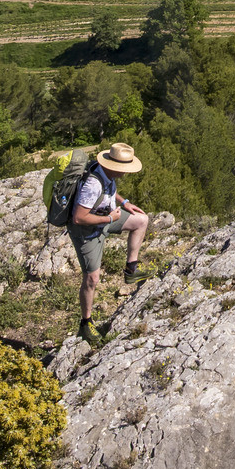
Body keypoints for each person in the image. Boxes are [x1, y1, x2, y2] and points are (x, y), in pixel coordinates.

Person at [69, 141, 149, 339]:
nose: (126, 172)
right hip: (86, 231)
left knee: (141, 220)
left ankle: (132, 270)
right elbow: (79, 217)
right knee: (91, 279)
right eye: (124, 168)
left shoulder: (105, 172)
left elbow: (110, 191)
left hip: (105, 217)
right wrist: (110, 219)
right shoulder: (93, 184)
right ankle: (85, 323)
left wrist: (124, 203)